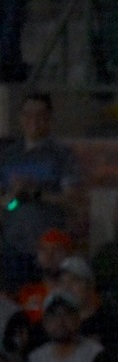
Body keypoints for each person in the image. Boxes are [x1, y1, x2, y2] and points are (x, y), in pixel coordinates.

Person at [0, 94, 78, 287]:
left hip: (50, 250)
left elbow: (73, 201)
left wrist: (36, 192)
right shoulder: (8, 156)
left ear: (50, 119)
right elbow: (7, 206)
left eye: (40, 115)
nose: (33, 121)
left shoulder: (62, 154)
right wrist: (16, 196)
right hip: (13, 248)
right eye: (28, 115)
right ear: (20, 118)